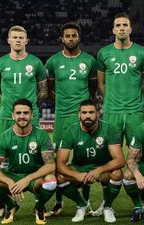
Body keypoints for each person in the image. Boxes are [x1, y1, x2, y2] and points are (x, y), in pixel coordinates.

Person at [45, 22, 97, 217]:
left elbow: (92, 89)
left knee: (83, 160)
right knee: (59, 160)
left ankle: (86, 201)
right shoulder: (52, 62)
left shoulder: (90, 61)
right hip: (62, 117)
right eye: (67, 36)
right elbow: (48, 88)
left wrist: (83, 107)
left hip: (83, 117)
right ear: (62, 39)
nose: (71, 38)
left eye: (74, 35)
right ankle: (58, 203)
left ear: (79, 38)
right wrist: (62, 102)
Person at [0, 99, 56, 225]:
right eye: (19, 113)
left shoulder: (42, 135)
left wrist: (27, 179)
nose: (22, 116)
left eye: (26, 113)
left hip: (34, 178)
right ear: (13, 115)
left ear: (32, 115)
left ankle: (39, 207)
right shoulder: (4, 138)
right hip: (13, 176)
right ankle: (11, 205)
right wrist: (9, 181)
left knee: (51, 181)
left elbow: (50, 165)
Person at [55, 99, 125, 223]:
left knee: (117, 173)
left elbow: (120, 160)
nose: (88, 115)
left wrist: (99, 170)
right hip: (79, 168)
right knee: (59, 176)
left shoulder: (109, 129)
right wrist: (76, 174)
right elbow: (60, 163)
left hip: (102, 168)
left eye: (91, 112)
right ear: (79, 114)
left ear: (97, 114)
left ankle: (107, 206)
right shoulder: (71, 131)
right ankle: (82, 205)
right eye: (84, 112)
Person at [97, 12, 144, 147]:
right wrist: (110, 98)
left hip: (135, 111)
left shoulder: (142, 52)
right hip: (111, 111)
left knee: (137, 150)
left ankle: (133, 170)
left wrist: (137, 97)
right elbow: (101, 83)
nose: (122, 28)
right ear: (113, 30)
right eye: (118, 25)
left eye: (125, 25)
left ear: (130, 29)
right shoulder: (103, 53)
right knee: (110, 151)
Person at [0, 25, 48, 136]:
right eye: (15, 37)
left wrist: (33, 106)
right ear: (9, 40)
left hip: (30, 116)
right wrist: (5, 105)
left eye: (21, 38)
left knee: (32, 150)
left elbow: (44, 92)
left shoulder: (36, 62)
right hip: (7, 115)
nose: (18, 40)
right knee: (4, 151)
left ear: (26, 41)